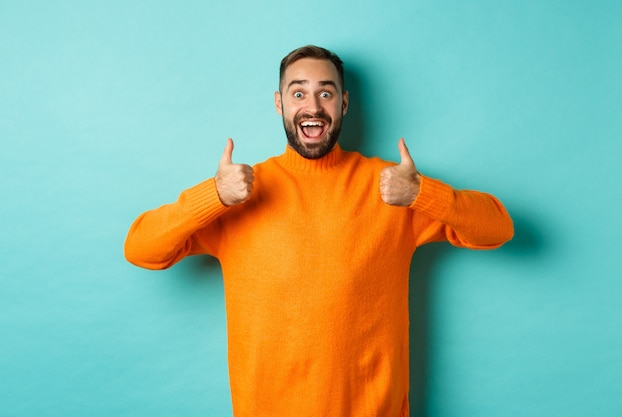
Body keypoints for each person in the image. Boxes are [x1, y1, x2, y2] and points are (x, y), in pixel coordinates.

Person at [124, 45, 514, 417]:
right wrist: (213, 195)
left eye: (326, 93)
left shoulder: (390, 188)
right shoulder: (241, 193)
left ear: (343, 104)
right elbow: (141, 248)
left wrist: (422, 193)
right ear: (279, 104)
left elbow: (497, 227)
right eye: (298, 93)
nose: (312, 107)